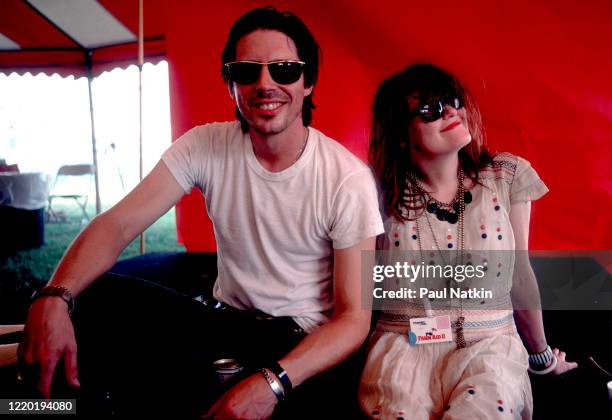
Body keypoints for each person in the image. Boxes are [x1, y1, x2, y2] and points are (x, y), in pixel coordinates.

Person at [18, 7, 383, 418]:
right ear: (231, 84)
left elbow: (353, 319)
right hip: (226, 326)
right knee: (92, 297)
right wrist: (52, 296)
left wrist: (272, 383)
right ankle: (37, 407)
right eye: (247, 71)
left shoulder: (346, 178)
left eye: (283, 69)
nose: (265, 84)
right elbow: (117, 224)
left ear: (308, 82)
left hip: (301, 345)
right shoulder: (204, 145)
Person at [359, 64, 577, 419]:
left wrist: (541, 357)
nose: (450, 112)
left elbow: (520, 275)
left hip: (490, 348)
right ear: (401, 133)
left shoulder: (504, 177)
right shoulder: (374, 192)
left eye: (453, 101)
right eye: (430, 110)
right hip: (405, 348)